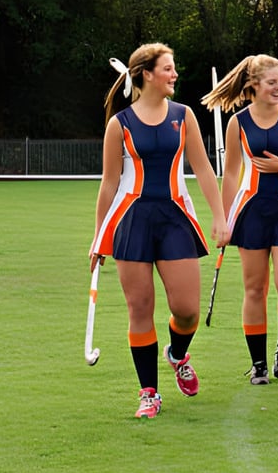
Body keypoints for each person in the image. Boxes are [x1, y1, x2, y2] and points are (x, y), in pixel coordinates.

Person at [90, 43, 227, 419]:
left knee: (186, 311)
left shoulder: (184, 117)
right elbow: (109, 184)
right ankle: (148, 392)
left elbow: (202, 169)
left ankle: (178, 354)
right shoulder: (119, 124)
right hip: (131, 221)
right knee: (140, 309)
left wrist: (220, 217)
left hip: (175, 218)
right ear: (147, 74)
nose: (175, 74)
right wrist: (98, 237)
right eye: (168, 68)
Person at [201, 55, 278, 385]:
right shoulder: (238, 122)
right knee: (254, 289)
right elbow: (230, 175)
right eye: (272, 82)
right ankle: (258, 365)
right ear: (254, 85)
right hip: (251, 212)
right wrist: (224, 220)